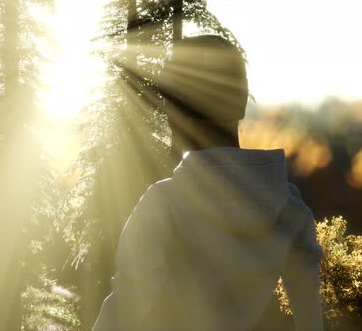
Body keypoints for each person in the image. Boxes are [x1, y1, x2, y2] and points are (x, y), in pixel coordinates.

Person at [93, 35, 323, 331]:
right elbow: (310, 318)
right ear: (242, 102)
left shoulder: (163, 206)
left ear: (175, 111)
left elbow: (123, 312)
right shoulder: (289, 206)